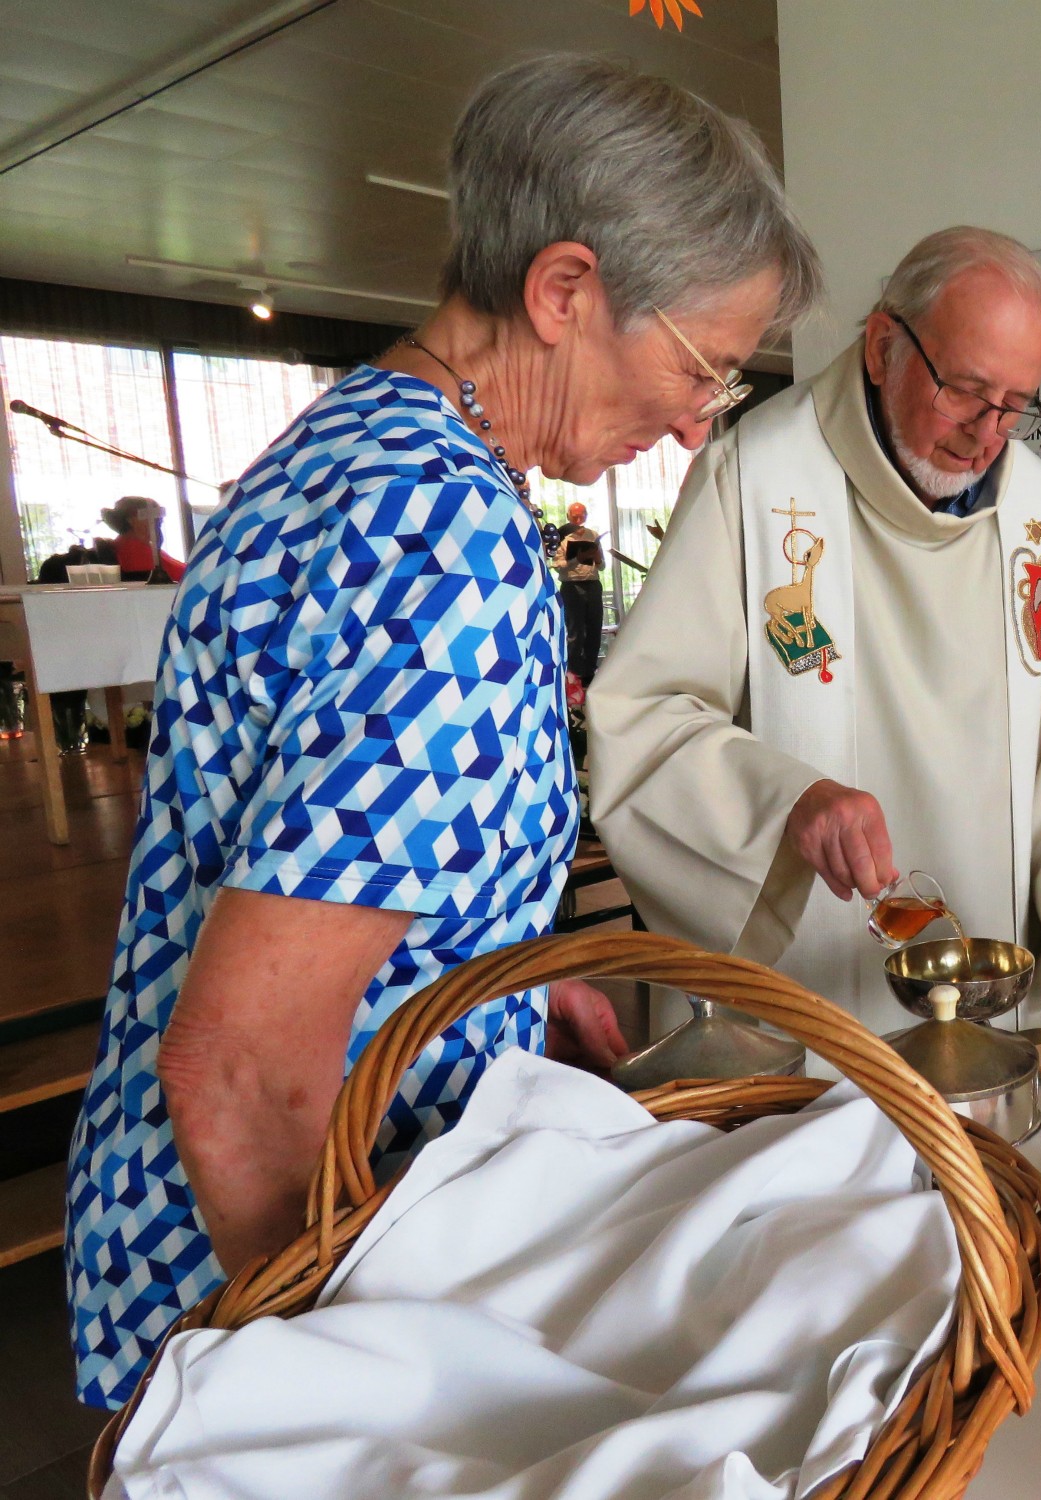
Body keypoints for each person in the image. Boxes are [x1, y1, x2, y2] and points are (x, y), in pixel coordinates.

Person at [64, 52, 820, 1409]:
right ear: (565, 292)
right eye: (702, 364)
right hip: (275, 1271)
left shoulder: (355, 444)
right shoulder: (440, 542)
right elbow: (237, 1067)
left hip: (186, 1232)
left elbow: (327, 861)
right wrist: (353, 1391)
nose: (701, 418)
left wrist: (507, 984)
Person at [589, 227, 1041, 1035]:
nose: (984, 435)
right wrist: (788, 802)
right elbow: (643, 721)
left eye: (1015, 407)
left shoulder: (1038, 511)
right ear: (884, 345)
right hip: (801, 1000)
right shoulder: (756, 476)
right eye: (963, 389)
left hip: (981, 984)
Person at [554, 500, 605, 687]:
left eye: (581, 515)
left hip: (593, 585)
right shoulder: (562, 536)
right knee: (576, 633)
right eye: (574, 515)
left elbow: (603, 566)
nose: (578, 518)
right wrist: (577, 559)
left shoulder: (593, 535)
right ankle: (574, 674)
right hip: (572, 587)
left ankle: (590, 672)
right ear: (568, 516)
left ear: (586, 516)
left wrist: (597, 558)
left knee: (594, 629)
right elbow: (556, 565)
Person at [101, 495, 184, 581]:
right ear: (131, 520)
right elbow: (181, 574)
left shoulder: (131, 545)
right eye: (152, 517)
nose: (157, 522)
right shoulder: (133, 549)